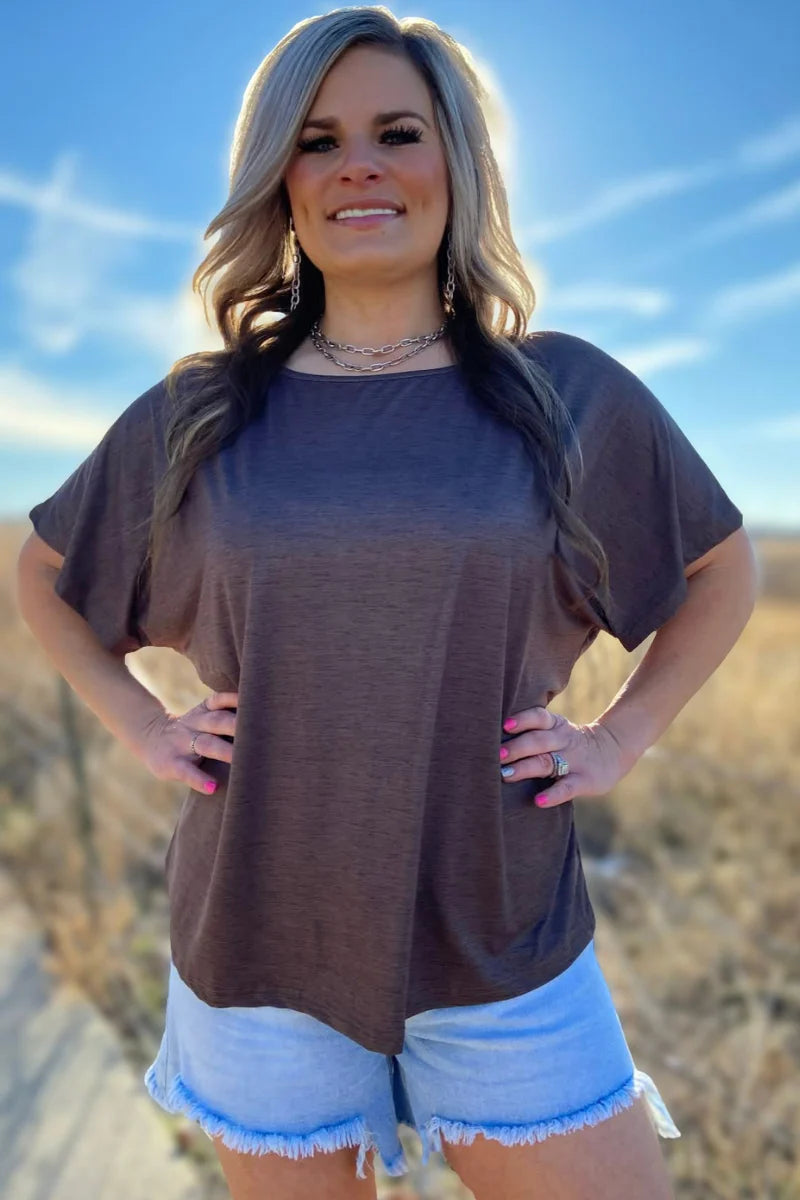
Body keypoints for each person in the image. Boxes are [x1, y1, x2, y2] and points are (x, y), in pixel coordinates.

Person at [17, 7, 757, 1199]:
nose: (357, 165)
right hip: (257, 940)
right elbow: (44, 576)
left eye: (395, 133)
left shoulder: (564, 394)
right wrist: (143, 724)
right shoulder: (203, 413)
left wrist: (618, 738)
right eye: (317, 141)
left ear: (453, 162)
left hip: (501, 932)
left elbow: (722, 570)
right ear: (281, 183)